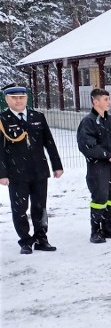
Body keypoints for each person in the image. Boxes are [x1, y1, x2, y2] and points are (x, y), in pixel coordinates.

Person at [0, 83, 63, 254]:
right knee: (19, 208)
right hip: (16, 173)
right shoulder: (2, 119)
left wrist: (57, 166)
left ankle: (41, 238)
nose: (18, 101)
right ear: (7, 99)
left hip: (39, 171)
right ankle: (25, 241)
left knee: (40, 207)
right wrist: (2, 174)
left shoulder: (37, 116)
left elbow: (49, 142)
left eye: (21, 97)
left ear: (26, 98)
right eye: (14, 98)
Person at [77, 88, 111, 243]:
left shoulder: (109, 119)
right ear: (96, 102)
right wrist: (108, 156)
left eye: (109, 99)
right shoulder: (88, 122)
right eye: (106, 99)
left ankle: (107, 227)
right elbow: (87, 147)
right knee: (99, 198)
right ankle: (95, 231)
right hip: (96, 167)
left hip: (110, 168)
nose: (109, 102)